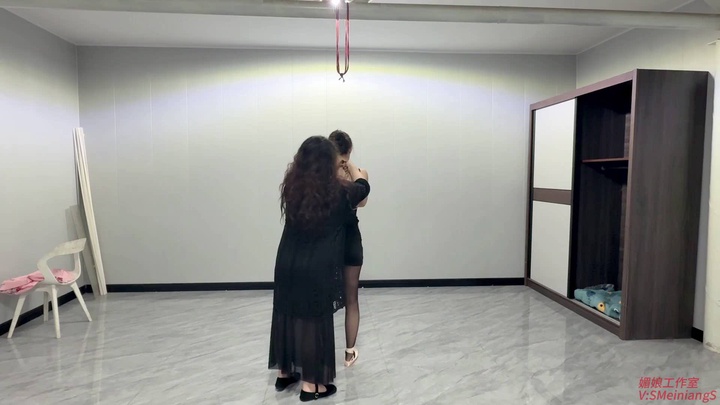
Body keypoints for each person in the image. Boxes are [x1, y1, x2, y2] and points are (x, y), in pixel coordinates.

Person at [268, 135, 370, 402]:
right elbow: (362, 189)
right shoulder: (337, 193)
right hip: (315, 267)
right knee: (314, 322)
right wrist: (354, 170)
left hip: (286, 263)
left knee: (286, 314)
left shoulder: (293, 188)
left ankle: (285, 373)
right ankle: (312, 386)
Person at [328, 130, 368, 367]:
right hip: (350, 240)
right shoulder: (360, 174)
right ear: (349, 151)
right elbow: (362, 201)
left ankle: (323, 353)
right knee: (351, 298)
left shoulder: (322, 177)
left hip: (329, 241)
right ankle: (349, 352)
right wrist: (351, 168)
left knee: (323, 297)